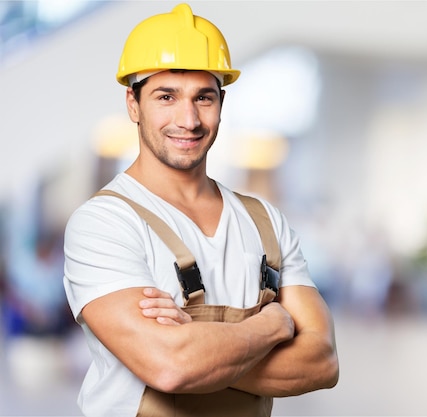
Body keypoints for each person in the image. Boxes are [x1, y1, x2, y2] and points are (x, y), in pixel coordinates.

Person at [63, 4, 339, 417]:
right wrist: (271, 325)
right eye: (166, 97)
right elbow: (170, 367)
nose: (188, 119)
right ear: (133, 104)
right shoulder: (103, 224)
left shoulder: (265, 222)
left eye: (203, 97)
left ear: (221, 103)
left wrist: (198, 344)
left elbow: (322, 361)